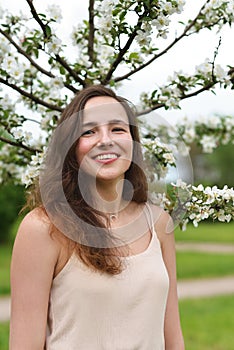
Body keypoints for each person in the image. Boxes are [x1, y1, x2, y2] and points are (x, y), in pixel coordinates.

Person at [10, 85, 185, 350]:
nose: (105, 140)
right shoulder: (44, 228)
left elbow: (173, 337)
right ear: (70, 147)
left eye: (117, 128)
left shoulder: (158, 223)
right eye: (89, 131)